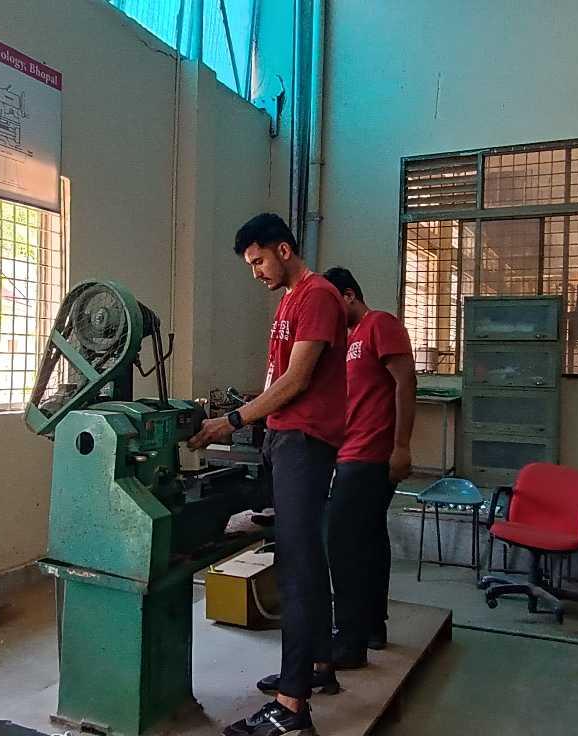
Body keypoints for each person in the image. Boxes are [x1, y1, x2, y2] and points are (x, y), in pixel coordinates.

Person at [188, 213, 346, 736]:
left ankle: (292, 709)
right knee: (305, 560)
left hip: (304, 441)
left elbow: (297, 380)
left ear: (283, 248)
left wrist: (229, 421)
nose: (254, 272)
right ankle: (316, 667)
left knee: (298, 570)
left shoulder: (318, 294)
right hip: (286, 439)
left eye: (257, 261)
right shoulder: (289, 302)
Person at [321, 266, 416, 665]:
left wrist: (401, 446)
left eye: (330, 305)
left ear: (348, 295)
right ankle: (373, 626)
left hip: (371, 455)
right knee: (370, 540)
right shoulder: (347, 341)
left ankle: (349, 639)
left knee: (340, 542)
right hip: (350, 451)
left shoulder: (380, 324)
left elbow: (406, 381)